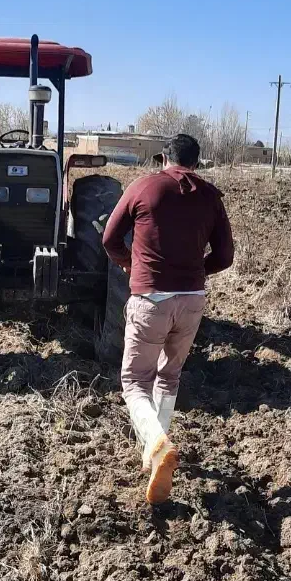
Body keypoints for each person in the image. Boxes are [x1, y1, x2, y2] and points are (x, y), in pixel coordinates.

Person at [101, 133, 234, 504]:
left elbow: (110, 239)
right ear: (196, 161)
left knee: (134, 380)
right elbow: (224, 256)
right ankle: (153, 454)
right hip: (192, 301)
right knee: (169, 375)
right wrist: (194, 273)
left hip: (151, 299)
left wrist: (133, 265)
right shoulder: (210, 196)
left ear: (164, 158)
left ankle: (156, 441)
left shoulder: (144, 187)